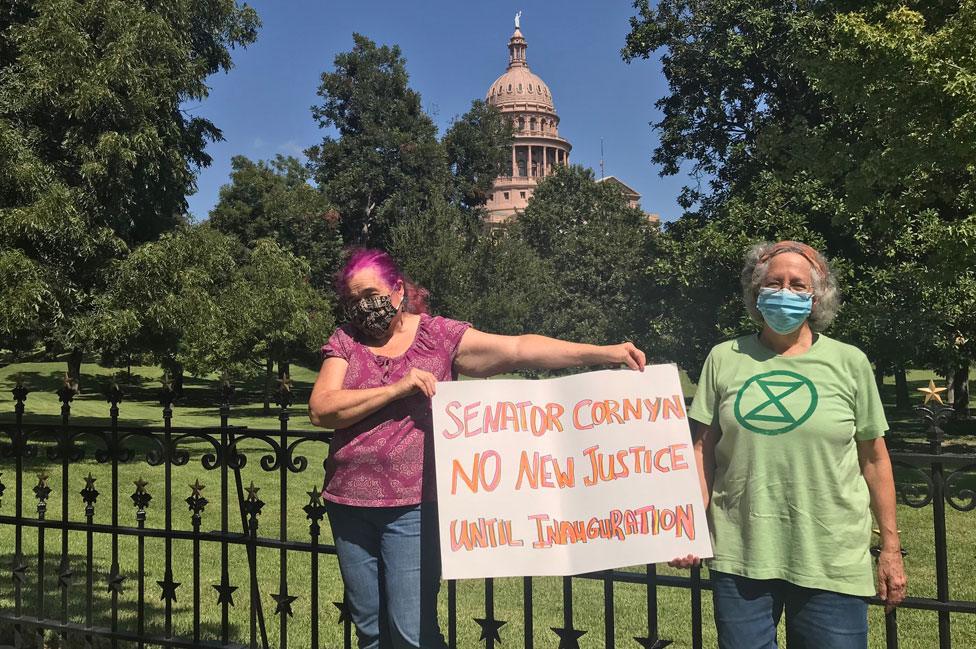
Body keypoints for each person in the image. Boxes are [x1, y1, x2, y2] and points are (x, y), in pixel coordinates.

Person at [308, 247, 645, 649]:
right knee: (370, 631)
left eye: (371, 294)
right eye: (353, 300)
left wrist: (603, 353)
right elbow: (321, 409)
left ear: (398, 290)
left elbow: (519, 348)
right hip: (347, 503)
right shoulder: (346, 341)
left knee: (411, 631)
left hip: (413, 509)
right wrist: (397, 388)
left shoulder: (439, 337)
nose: (364, 308)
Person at [670, 240, 906, 649]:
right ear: (756, 292)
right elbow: (703, 450)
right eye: (774, 282)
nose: (785, 292)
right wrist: (689, 526)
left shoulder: (850, 363)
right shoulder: (724, 358)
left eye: (798, 284)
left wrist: (890, 548)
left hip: (831, 556)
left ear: (816, 296)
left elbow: (874, 459)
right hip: (742, 554)